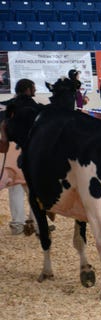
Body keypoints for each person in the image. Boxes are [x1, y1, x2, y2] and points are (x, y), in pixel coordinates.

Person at [2, 79, 36, 235]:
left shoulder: (7, 106)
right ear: (28, 90)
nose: (34, 90)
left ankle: (18, 224)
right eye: (33, 88)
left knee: (15, 188)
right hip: (29, 153)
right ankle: (35, 223)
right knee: (33, 189)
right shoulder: (34, 107)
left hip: (11, 154)